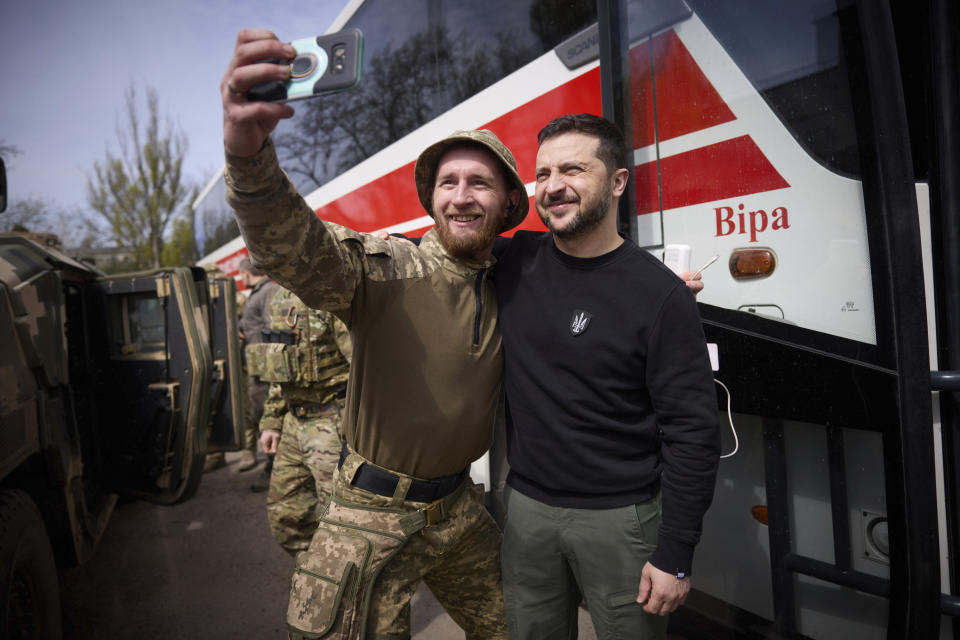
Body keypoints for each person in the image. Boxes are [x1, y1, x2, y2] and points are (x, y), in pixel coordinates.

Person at [220, 29, 522, 639]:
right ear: (432, 199)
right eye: (448, 183)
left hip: (459, 510)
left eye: (480, 183)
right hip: (370, 517)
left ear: (509, 203)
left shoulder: (516, 281)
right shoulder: (388, 270)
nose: (462, 196)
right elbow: (299, 248)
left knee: (523, 627)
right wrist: (249, 158)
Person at [495, 113, 720, 639]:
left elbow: (692, 432)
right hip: (526, 512)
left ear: (617, 181)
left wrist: (676, 554)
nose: (553, 187)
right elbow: (435, 242)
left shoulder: (661, 295)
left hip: (622, 521)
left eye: (573, 169)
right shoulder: (512, 260)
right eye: (543, 173)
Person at [249, 286, 351, 555]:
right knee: (286, 517)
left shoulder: (333, 293)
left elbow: (369, 369)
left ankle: (347, 587)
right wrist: (272, 421)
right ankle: (317, 577)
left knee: (344, 525)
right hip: (294, 423)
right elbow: (280, 368)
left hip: (332, 421)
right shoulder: (280, 297)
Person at [237, 256, 280, 473]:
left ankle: (274, 469)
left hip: (265, 368)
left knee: (266, 416)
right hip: (258, 366)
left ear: (246, 273)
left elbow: (273, 326)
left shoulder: (266, 291)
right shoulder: (259, 292)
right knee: (258, 414)